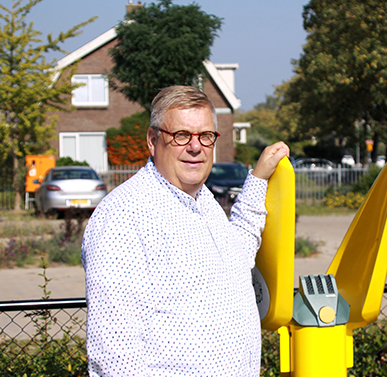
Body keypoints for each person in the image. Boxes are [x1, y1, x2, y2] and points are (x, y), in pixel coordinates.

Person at [81, 85, 289, 376]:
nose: (195, 146)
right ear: (153, 140)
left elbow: (238, 256)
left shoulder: (203, 201)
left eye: (205, 136)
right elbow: (115, 352)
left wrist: (258, 178)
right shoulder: (124, 216)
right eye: (181, 135)